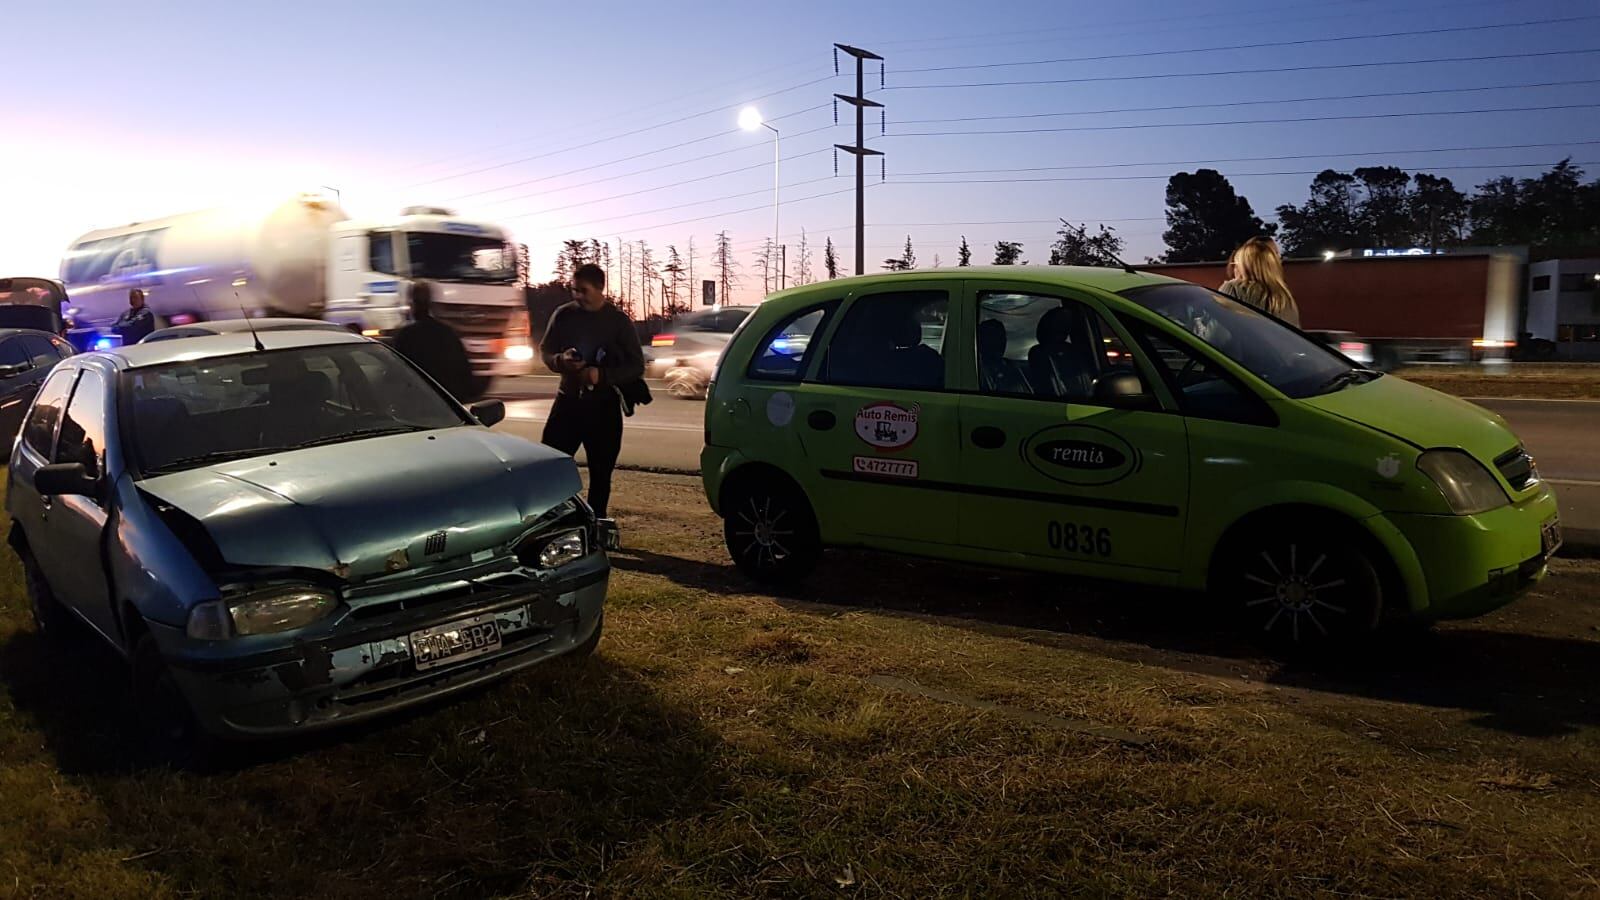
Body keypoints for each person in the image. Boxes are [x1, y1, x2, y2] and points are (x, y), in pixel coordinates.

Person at [539, 263, 643, 529]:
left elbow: (636, 366)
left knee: (601, 472)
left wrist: (603, 376)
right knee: (551, 466)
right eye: (574, 290)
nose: (578, 296)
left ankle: (594, 526)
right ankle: (554, 524)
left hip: (604, 409)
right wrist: (560, 360)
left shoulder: (618, 322)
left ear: (600, 289)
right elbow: (546, 350)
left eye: (583, 291)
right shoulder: (563, 315)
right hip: (568, 404)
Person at [392, 281, 475, 401]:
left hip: (418, 402)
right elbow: (465, 373)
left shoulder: (406, 335)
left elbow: (397, 373)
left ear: (412, 304)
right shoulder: (448, 333)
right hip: (448, 404)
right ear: (431, 304)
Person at [1219, 236, 1301, 327]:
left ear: (1245, 265)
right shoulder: (1285, 297)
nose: (1278, 259)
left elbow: (1218, 331)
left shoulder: (1233, 288)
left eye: (1236, 264)